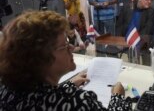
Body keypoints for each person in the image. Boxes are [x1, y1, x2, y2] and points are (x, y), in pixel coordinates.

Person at [0, 10, 131, 110]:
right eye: (64, 46)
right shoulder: (78, 103)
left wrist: (68, 86)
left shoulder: (6, 92)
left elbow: (45, 96)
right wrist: (118, 97)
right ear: (42, 59)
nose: (72, 47)